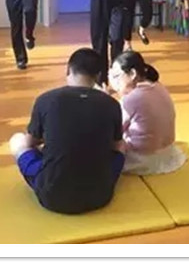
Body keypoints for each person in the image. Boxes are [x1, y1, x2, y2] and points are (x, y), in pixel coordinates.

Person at [9, 48, 124, 214]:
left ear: (68, 70)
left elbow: (29, 143)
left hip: (53, 197)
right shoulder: (111, 103)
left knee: (18, 140)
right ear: (98, 76)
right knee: (121, 146)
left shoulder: (46, 99)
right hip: (100, 195)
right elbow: (116, 145)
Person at [109, 51, 186, 175]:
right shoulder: (158, 86)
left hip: (142, 159)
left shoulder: (131, 99)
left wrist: (104, 101)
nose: (114, 81)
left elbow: (114, 130)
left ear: (132, 74)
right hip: (168, 152)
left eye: (116, 76)